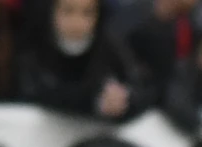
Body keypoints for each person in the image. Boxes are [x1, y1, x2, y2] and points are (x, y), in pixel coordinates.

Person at [19, 0, 152, 120]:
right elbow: (36, 92)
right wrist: (94, 102)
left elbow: (142, 87)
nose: (77, 23)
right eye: (68, 11)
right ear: (52, 10)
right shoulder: (33, 46)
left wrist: (123, 100)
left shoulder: (110, 47)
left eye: (87, 12)